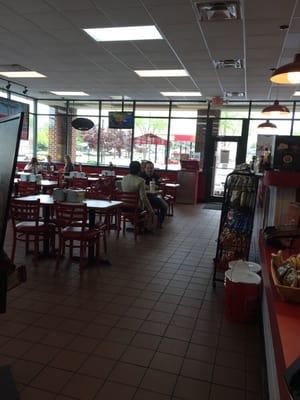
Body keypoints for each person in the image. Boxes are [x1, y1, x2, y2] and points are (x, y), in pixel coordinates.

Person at [140, 161, 168, 227]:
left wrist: (147, 186)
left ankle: (159, 223)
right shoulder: (141, 175)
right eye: (148, 168)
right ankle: (142, 224)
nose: (150, 170)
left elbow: (158, 186)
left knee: (165, 206)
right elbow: (140, 186)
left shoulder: (156, 176)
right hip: (142, 197)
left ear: (153, 168)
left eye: (151, 168)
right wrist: (151, 186)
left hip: (153, 196)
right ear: (145, 168)